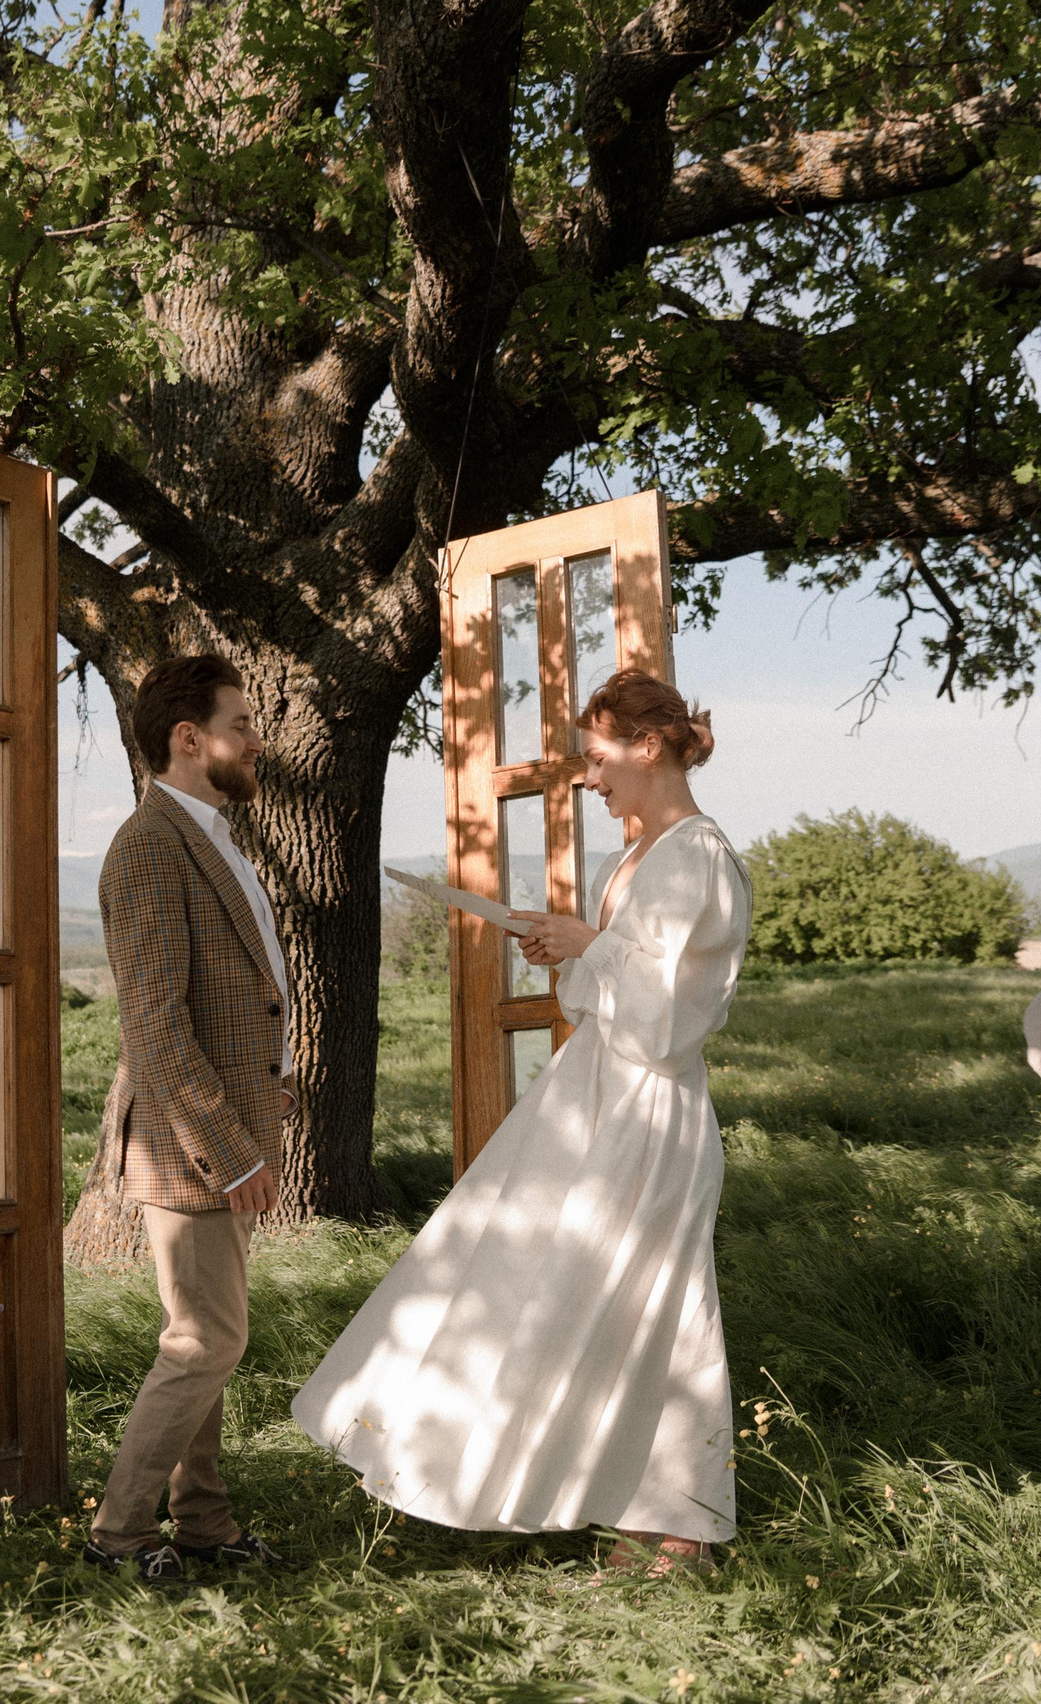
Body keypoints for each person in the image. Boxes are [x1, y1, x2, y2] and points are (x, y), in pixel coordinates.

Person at [291, 669, 749, 1578]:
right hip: (603, 1100)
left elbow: (670, 1020)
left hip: (648, 1113)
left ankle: (680, 1532)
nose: (589, 777)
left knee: (657, 1308)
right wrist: (576, 949)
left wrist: (589, 946)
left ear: (648, 746)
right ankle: (606, 1500)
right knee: (560, 1286)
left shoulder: (698, 854)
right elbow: (629, 986)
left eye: (598, 755)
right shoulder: (644, 856)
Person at [83, 654, 295, 1582]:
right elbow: (158, 1028)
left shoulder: (208, 837)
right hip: (189, 1146)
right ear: (188, 738)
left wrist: (271, 1106)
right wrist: (230, 1151)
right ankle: (117, 1539)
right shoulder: (148, 846)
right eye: (241, 723)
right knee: (205, 1339)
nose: (256, 740)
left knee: (208, 1332)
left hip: (225, 1141)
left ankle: (204, 1527)